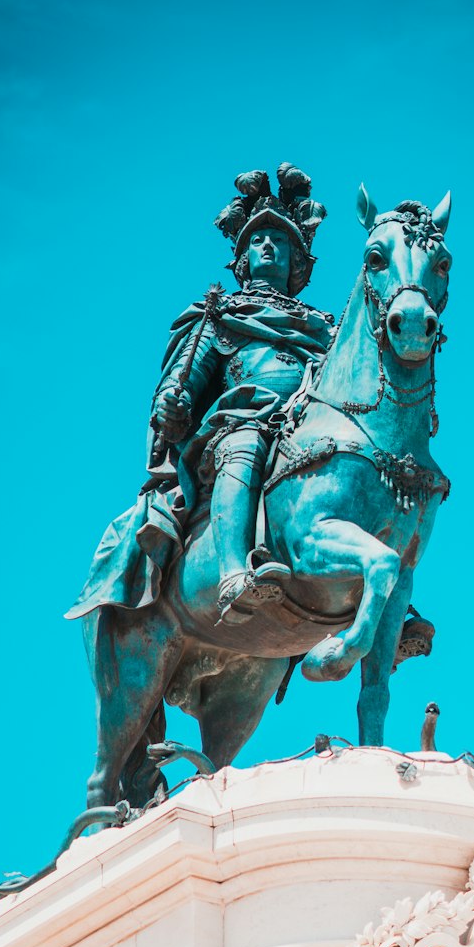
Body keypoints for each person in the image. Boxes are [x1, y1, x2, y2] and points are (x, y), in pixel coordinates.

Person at [67, 164, 333, 625]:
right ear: (244, 258)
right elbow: (180, 385)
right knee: (245, 443)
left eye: (281, 241)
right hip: (243, 421)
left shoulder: (328, 327)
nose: (268, 244)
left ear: (297, 261)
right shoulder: (217, 314)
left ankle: (388, 599)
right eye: (256, 240)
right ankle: (233, 574)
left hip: (308, 421)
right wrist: (173, 405)